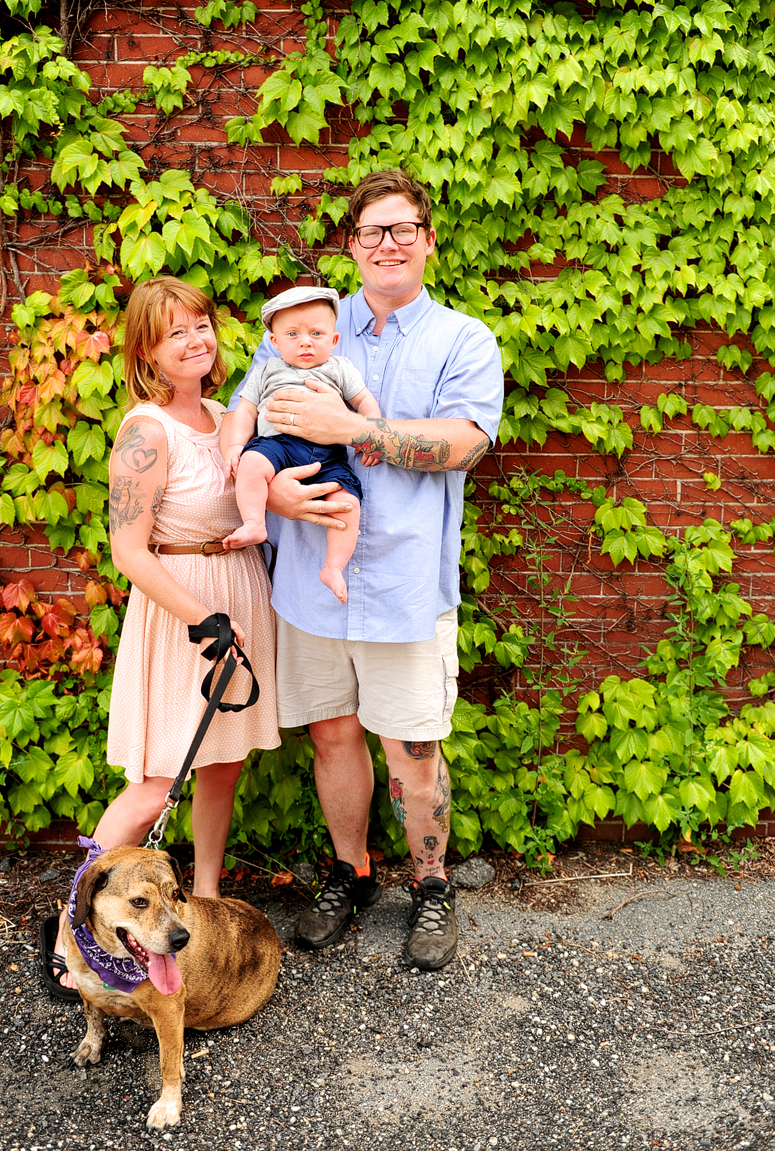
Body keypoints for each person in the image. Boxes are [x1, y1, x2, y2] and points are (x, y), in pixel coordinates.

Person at [229, 168, 504, 970]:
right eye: (370, 231)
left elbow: (463, 442)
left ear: (427, 238)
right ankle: (350, 875)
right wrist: (270, 485)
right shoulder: (306, 321)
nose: (387, 243)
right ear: (351, 245)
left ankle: (429, 884)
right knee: (332, 735)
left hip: (404, 585)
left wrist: (349, 426)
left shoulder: (464, 338)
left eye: (402, 228)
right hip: (314, 580)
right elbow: (248, 411)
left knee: (412, 747)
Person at [41, 276, 280, 997]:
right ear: (147, 348)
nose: (196, 340)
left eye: (202, 324)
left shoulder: (222, 412)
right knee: (154, 784)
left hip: (240, 589)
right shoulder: (147, 428)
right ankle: (70, 931)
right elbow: (128, 550)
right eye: (176, 331)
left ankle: (197, 909)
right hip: (185, 611)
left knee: (222, 765)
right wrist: (202, 616)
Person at [221, 285, 381, 603]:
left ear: (333, 340)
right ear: (275, 342)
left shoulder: (340, 368)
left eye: (316, 333)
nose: (305, 341)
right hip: (276, 444)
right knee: (251, 464)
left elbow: (365, 402)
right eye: (292, 334)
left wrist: (372, 436)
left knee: (348, 502)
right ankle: (254, 523)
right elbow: (246, 411)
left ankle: (333, 567)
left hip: (328, 453)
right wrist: (234, 447)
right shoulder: (267, 370)